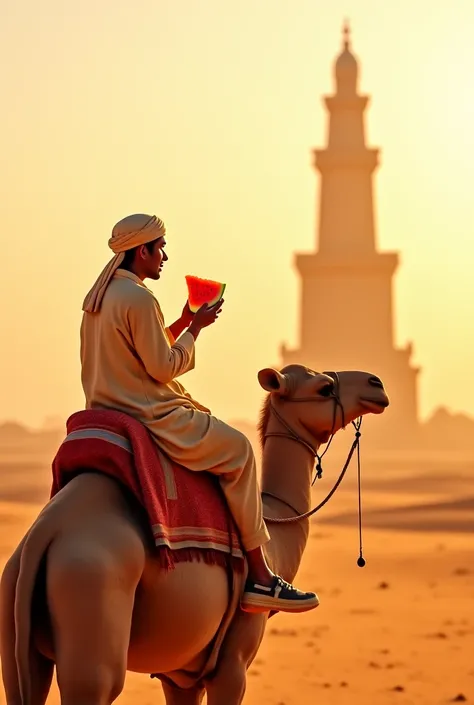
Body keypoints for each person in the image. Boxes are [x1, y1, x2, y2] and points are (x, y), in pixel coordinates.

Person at [80, 212, 319, 614]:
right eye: (160, 248)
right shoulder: (139, 297)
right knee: (240, 451)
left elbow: (141, 349)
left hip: (104, 407)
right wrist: (198, 330)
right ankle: (261, 576)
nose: (164, 257)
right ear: (142, 251)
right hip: (150, 412)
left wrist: (183, 321)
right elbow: (161, 367)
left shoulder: (100, 299)